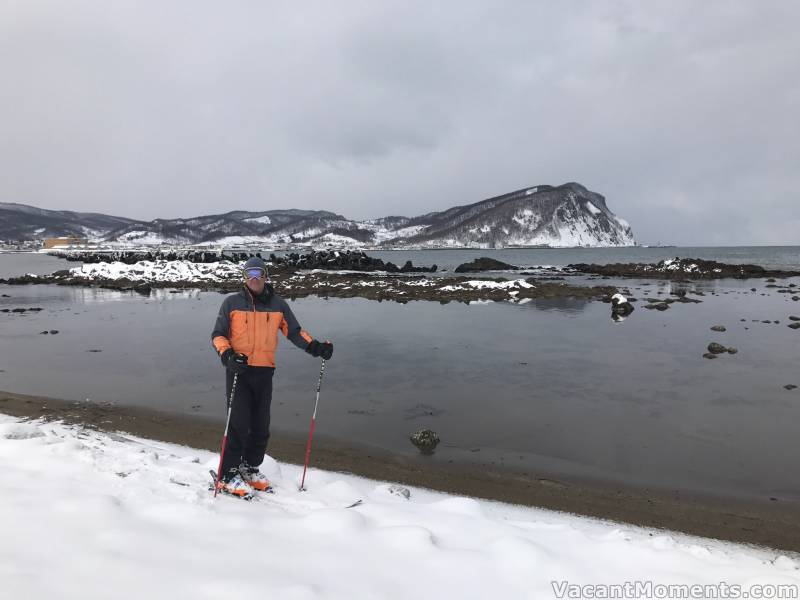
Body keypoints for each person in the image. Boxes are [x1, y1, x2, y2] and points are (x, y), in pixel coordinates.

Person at [211, 256, 333, 497]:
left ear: (266, 276)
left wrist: (316, 347)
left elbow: (295, 332)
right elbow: (218, 335)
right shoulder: (231, 303)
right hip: (239, 372)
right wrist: (228, 356)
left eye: (259, 273)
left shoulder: (278, 305)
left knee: (260, 426)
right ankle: (227, 474)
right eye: (250, 274)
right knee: (238, 424)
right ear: (244, 278)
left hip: (265, 372)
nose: (254, 279)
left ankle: (249, 467)